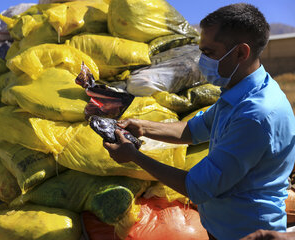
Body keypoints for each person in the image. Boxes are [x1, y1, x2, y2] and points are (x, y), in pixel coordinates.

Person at [103, 3, 295, 240]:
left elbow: (197, 187)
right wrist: (143, 127)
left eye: (209, 53)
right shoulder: (239, 92)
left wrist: (134, 157)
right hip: (224, 227)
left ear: (240, 53)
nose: (200, 60)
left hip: (247, 232)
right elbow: (194, 130)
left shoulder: (256, 114)